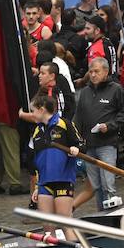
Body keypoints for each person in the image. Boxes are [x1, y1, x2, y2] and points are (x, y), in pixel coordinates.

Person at [74, 56, 124, 211]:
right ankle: (101, 213)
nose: (93, 75)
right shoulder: (84, 92)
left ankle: (111, 214)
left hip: (107, 143)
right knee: (95, 184)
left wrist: (110, 126)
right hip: (90, 145)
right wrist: (76, 139)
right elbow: (78, 117)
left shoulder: (115, 89)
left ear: (106, 71)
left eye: (96, 71)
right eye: (90, 72)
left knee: (108, 183)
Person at [29, 93, 82, 230]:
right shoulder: (36, 131)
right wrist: (36, 187)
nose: (32, 115)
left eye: (33, 111)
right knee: (47, 226)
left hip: (63, 180)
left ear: (42, 110)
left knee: (65, 224)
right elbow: (36, 162)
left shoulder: (65, 124)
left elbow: (81, 144)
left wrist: (76, 148)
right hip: (44, 183)